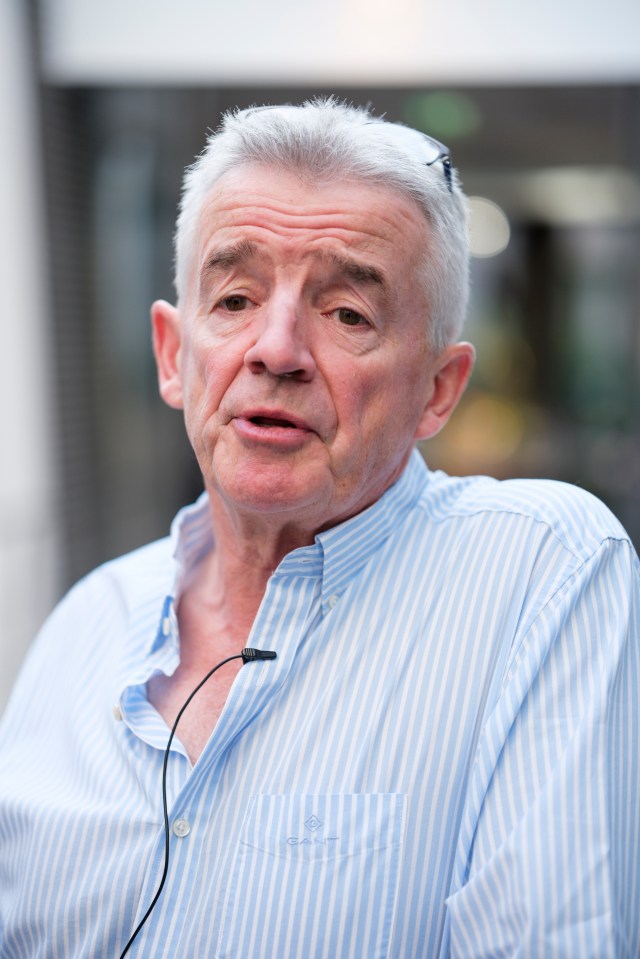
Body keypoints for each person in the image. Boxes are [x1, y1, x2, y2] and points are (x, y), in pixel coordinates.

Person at [0, 99, 638, 959]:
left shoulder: (541, 571)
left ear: (438, 390)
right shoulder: (84, 624)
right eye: (234, 297)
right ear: (173, 354)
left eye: (348, 314)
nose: (277, 348)